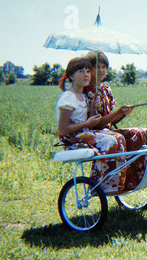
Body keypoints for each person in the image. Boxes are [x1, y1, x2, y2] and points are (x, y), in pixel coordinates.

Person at [56, 57, 129, 195]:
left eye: (88, 71)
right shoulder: (68, 97)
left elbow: (91, 120)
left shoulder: (82, 96)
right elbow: (62, 129)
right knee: (112, 140)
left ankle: (113, 183)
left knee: (119, 138)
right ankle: (100, 183)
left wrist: (92, 109)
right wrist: (87, 123)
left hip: (84, 135)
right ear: (71, 76)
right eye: (81, 71)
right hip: (72, 139)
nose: (86, 74)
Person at [84, 51, 147, 191]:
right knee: (120, 138)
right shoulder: (86, 90)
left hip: (106, 129)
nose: (102, 70)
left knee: (141, 134)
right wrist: (118, 112)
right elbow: (98, 124)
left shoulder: (106, 89)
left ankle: (133, 179)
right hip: (94, 132)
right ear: (89, 70)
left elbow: (110, 119)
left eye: (104, 67)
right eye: (98, 67)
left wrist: (123, 113)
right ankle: (112, 183)